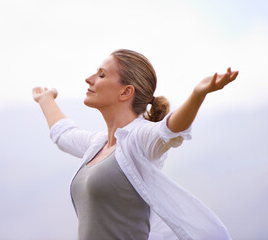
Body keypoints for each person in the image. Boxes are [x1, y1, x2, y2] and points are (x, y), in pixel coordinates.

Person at [32, 49, 238, 240]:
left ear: (125, 92)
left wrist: (197, 95)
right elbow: (63, 134)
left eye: (101, 75)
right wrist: (45, 99)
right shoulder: (97, 145)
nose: (89, 79)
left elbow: (169, 130)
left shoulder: (138, 138)